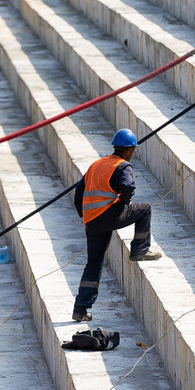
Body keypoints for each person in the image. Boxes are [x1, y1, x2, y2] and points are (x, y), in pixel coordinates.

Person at [72, 129, 161, 322]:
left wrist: (85, 216)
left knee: (93, 263)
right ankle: (140, 249)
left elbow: (79, 192)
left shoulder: (96, 164)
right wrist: (123, 202)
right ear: (129, 150)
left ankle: (80, 308)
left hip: (92, 221)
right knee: (144, 209)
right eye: (133, 150)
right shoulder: (123, 165)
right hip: (108, 215)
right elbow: (128, 187)